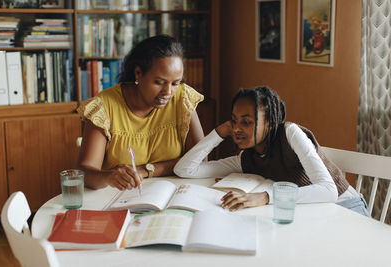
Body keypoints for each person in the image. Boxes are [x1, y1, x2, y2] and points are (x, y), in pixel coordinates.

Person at [174, 86, 370, 216]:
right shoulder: (246, 158)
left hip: (347, 209)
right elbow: (185, 170)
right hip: (313, 213)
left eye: (247, 122)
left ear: (270, 123)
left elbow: (329, 191)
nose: (236, 128)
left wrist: (265, 197)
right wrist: (218, 132)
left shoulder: (290, 133)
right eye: (234, 120)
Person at [77, 35, 205, 190]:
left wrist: (146, 170)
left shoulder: (182, 99)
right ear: (138, 73)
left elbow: (201, 161)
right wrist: (109, 176)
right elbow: (84, 173)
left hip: (174, 193)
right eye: (159, 82)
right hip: (118, 197)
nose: (168, 92)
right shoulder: (105, 107)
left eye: (175, 83)